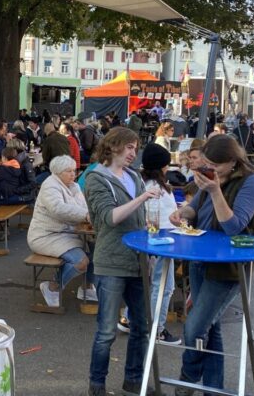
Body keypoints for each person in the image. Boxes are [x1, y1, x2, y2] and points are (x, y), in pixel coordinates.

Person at [169, 134, 254, 394]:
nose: (209, 170)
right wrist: (182, 213)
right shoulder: (209, 174)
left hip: (229, 266)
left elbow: (234, 226)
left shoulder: (252, 181)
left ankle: (186, 379)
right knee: (210, 329)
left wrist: (214, 191)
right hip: (200, 259)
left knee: (194, 328)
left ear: (232, 161)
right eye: (207, 164)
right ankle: (214, 390)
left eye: (215, 166)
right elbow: (196, 209)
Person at [84, 127, 153, 396]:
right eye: (128, 147)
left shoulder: (134, 177)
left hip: (137, 260)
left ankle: (134, 381)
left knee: (142, 327)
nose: (133, 153)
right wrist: (142, 198)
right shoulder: (96, 178)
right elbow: (110, 218)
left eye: (135, 148)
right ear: (112, 147)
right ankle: (97, 384)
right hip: (111, 260)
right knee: (106, 332)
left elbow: (141, 218)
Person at [28, 155, 96, 308]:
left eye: (74, 170)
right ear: (57, 172)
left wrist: (90, 213)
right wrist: (86, 215)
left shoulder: (73, 185)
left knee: (97, 252)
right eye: (69, 171)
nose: (73, 174)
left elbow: (83, 206)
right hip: (45, 236)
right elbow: (58, 209)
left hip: (67, 234)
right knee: (81, 262)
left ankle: (87, 287)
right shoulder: (50, 186)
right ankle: (52, 287)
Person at [140, 142, 181, 345]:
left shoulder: (149, 184)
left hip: (160, 238)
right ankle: (157, 328)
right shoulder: (155, 188)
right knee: (164, 286)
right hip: (161, 240)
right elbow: (154, 215)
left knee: (153, 284)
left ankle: (131, 318)